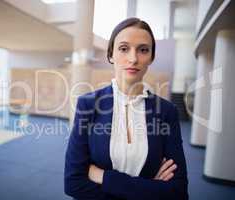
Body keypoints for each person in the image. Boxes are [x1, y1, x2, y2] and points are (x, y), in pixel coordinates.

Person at [64, 17, 188, 200]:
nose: (133, 58)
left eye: (143, 50)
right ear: (111, 55)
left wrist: (103, 176)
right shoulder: (88, 105)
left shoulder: (166, 111)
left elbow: (177, 192)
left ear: (151, 57)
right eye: (124, 49)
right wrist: (151, 189)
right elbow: (73, 184)